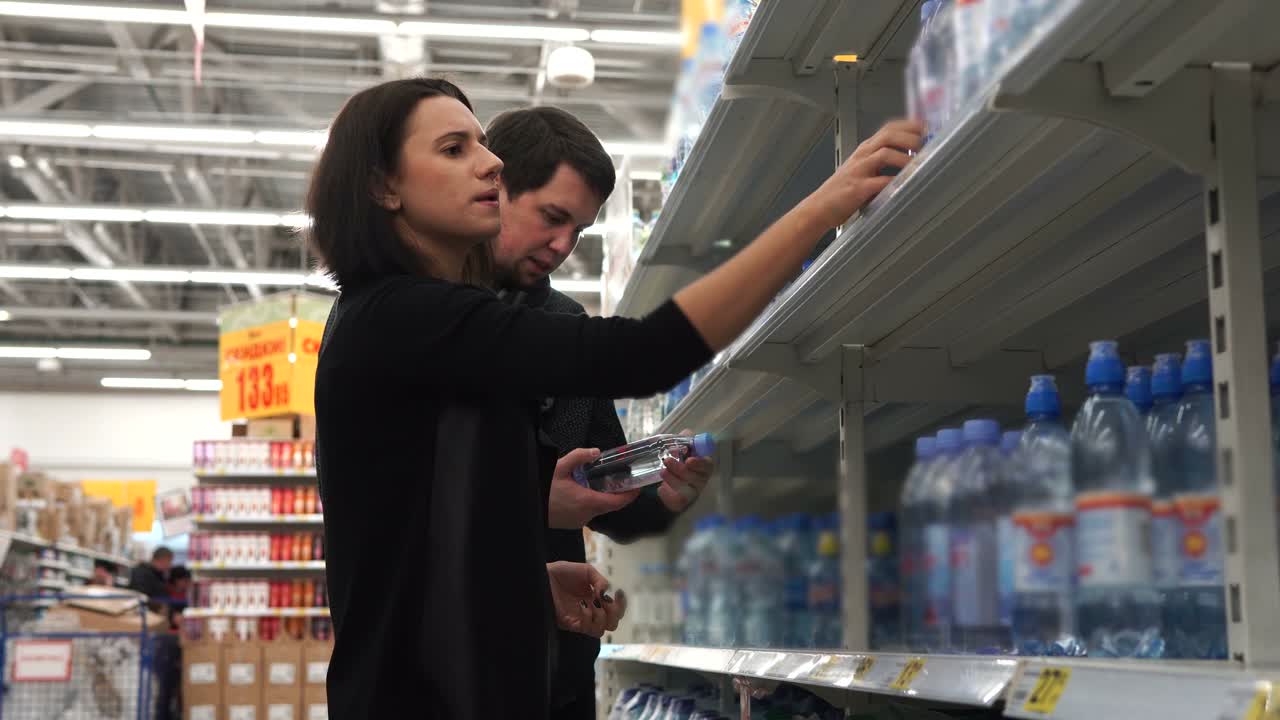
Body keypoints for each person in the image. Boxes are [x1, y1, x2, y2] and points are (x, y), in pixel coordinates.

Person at [306, 77, 921, 719]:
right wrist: (822, 208)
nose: (488, 163)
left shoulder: (420, 322)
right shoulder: (405, 317)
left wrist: (524, 582)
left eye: (483, 144)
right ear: (384, 186)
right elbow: (646, 352)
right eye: (455, 149)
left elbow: (411, 529)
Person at [487, 105, 714, 719]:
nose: (563, 246)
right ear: (493, 187)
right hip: (455, 662)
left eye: (579, 231)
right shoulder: (424, 321)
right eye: (552, 217)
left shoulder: (564, 327)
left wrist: (661, 498)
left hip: (559, 656)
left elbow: (609, 493)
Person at [128, 546, 172, 614]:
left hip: (155, 615)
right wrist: (157, 607)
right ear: (162, 559)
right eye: (169, 561)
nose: (170, 565)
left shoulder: (159, 574)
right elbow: (139, 594)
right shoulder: (141, 572)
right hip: (144, 615)